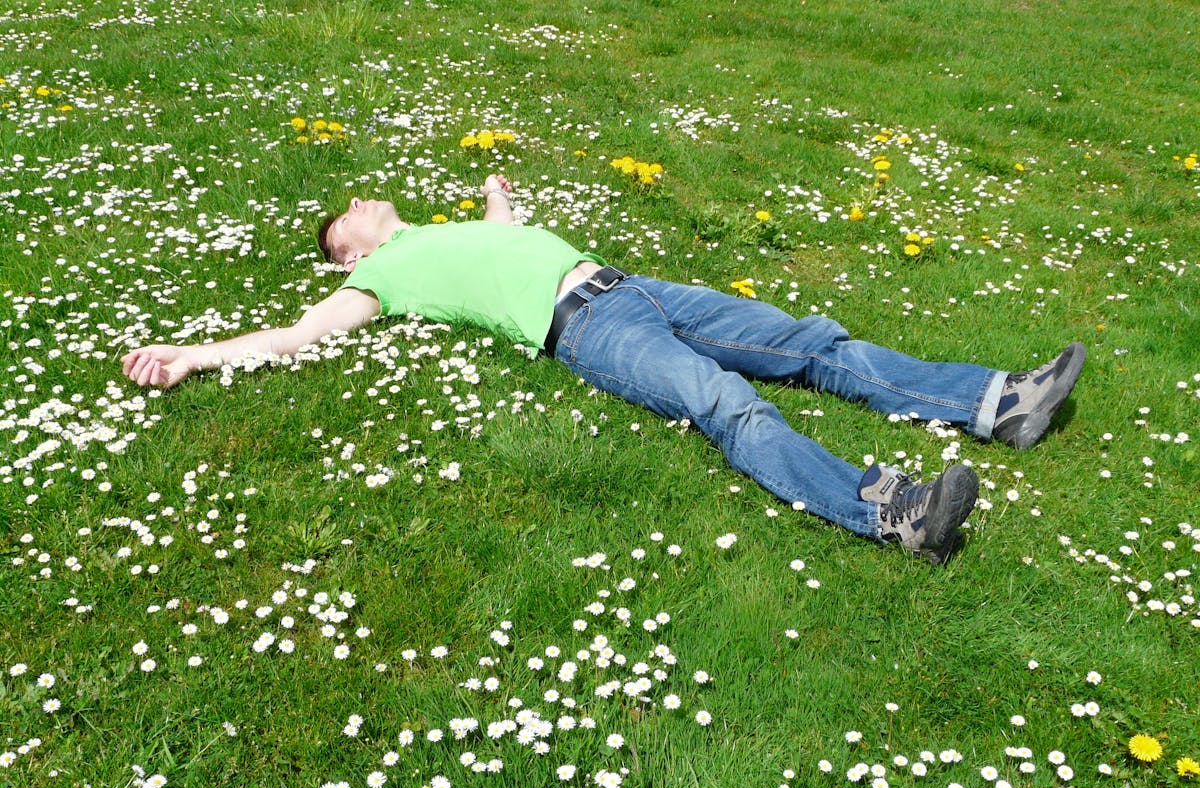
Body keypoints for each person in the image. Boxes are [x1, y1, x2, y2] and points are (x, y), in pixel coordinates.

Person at [121, 174, 1086, 565]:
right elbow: (295, 338)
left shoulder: (442, 231)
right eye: (350, 218)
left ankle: (995, 402)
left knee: (809, 340)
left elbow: (501, 237)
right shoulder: (378, 280)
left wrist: (499, 198)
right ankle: (891, 512)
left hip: (634, 286)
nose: (365, 202)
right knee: (725, 403)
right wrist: (196, 353)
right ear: (349, 254)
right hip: (582, 328)